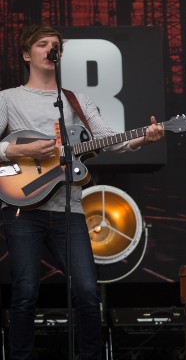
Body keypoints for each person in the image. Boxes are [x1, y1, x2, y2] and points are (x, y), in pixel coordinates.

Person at [0, 24, 165, 360]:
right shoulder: (8, 99)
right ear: (26, 54)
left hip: (70, 211)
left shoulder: (76, 100)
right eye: (42, 44)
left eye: (55, 45)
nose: (50, 49)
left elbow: (109, 139)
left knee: (88, 292)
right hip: (23, 211)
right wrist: (12, 152)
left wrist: (143, 137)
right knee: (25, 291)